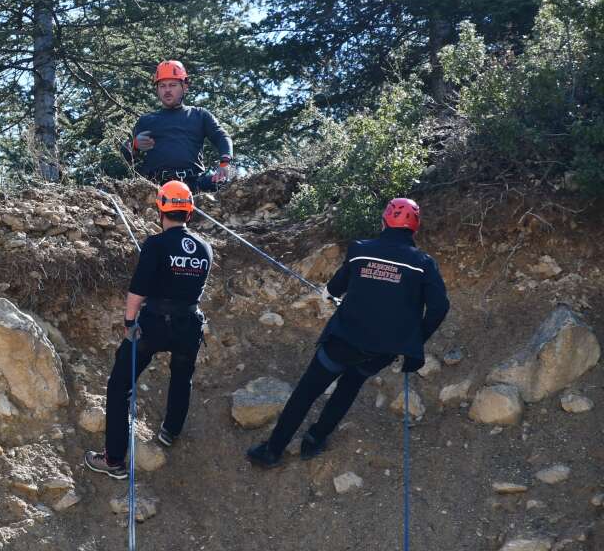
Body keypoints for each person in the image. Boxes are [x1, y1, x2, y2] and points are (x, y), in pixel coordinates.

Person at [246, 198, 450, 468]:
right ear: (415, 227)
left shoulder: (361, 250)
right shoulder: (423, 263)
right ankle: (314, 440)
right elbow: (439, 307)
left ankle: (272, 451)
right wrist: (415, 339)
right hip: (382, 351)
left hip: (344, 341)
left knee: (307, 392)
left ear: (385, 221)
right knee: (349, 386)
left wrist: (331, 293)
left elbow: (334, 288)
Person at [85, 180, 213, 479]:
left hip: (154, 323)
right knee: (181, 377)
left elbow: (138, 289)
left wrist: (130, 323)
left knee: (120, 385)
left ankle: (114, 460)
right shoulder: (205, 248)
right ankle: (170, 431)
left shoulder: (155, 244)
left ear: (161, 210)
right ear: (189, 212)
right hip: (189, 324)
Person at [120, 60, 234, 191]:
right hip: (157, 187)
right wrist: (134, 145)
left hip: (194, 184)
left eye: (172, 85)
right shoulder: (146, 121)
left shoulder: (200, 115)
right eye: (162, 86)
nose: (167, 90)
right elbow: (125, 155)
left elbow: (222, 137)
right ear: (157, 89)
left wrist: (225, 162)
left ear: (184, 86)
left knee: (224, 185)